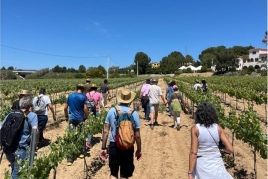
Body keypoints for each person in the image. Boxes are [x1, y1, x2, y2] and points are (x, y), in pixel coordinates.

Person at [99, 89, 142, 179]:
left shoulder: (111, 111)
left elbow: (106, 131)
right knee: (124, 174)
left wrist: (103, 148)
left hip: (114, 144)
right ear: (130, 99)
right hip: (128, 146)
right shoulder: (134, 113)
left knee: (113, 173)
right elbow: (137, 135)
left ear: (119, 98)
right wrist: (139, 150)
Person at [188, 102, 234, 179]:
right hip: (217, 164)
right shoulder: (218, 128)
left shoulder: (195, 129)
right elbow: (230, 149)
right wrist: (220, 147)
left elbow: (193, 153)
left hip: (202, 165)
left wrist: (190, 172)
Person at [1, 96, 38, 179]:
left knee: (15, 168)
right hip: (21, 151)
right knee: (18, 175)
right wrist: (35, 146)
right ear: (30, 106)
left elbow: (0, 128)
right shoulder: (32, 116)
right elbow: (35, 131)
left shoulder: (11, 114)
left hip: (8, 149)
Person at [64, 84, 89, 166]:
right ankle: (82, 153)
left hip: (71, 119)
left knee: (71, 137)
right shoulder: (83, 97)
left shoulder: (70, 96)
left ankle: (70, 159)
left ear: (77, 88)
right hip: (80, 119)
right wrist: (87, 116)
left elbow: (65, 108)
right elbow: (85, 108)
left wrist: (66, 116)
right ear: (82, 89)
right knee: (81, 135)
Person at [85, 84, 102, 149]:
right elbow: (100, 103)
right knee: (92, 126)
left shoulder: (87, 94)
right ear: (96, 88)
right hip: (95, 110)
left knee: (89, 125)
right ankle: (88, 142)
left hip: (88, 111)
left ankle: (89, 138)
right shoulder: (98, 94)